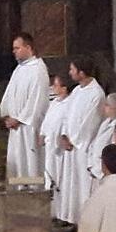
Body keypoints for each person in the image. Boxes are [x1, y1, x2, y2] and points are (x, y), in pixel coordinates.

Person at [57, 56, 105, 225]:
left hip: (82, 147)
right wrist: (64, 134)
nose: (70, 73)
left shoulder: (97, 94)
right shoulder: (77, 90)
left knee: (82, 186)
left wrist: (73, 140)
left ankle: (84, 222)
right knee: (71, 186)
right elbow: (67, 114)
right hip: (71, 146)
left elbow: (90, 122)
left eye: (72, 70)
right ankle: (71, 219)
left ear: (82, 73)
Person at [0, 32, 50, 183]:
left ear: (28, 47)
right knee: (17, 160)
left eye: (17, 48)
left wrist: (20, 119)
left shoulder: (38, 70)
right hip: (15, 126)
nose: (14, 51)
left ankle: (32, 190)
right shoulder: (20, 69)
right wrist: (7, 115)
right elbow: (9, 94)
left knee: (29, 161)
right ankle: (19, 189)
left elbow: (37, 99)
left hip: (28, 127)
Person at [39, 75, 71, 218]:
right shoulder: (55, 102)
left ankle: (60, 212)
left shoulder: (70, 104)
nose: (53, 88)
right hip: (50, 147)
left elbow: (66, 124)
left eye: (56, 85)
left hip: (60, 150)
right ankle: (52, 211)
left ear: (64, 88)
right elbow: (47, 120)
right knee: (49, 177)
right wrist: (42, 134)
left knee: (59, 180)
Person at [87, 93, 116, 190]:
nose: (104, 107)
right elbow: (95, 144)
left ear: (115, 109)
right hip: (96, 170)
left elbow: (114, 153)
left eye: (107, 105)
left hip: (106, 174)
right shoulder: (107, 121)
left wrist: (100, 171)